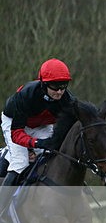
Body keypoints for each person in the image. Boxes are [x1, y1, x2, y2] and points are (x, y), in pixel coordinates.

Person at [1, 58, 76, 215]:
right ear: (43, 83)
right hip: (15, 123)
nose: (60, 91)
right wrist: (36, 143)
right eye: (55, 86)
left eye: (64, 86)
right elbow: (16, 134)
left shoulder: (67, 100)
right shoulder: (25, 94)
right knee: (20, 161)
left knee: (52, 156)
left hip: (41, 125)